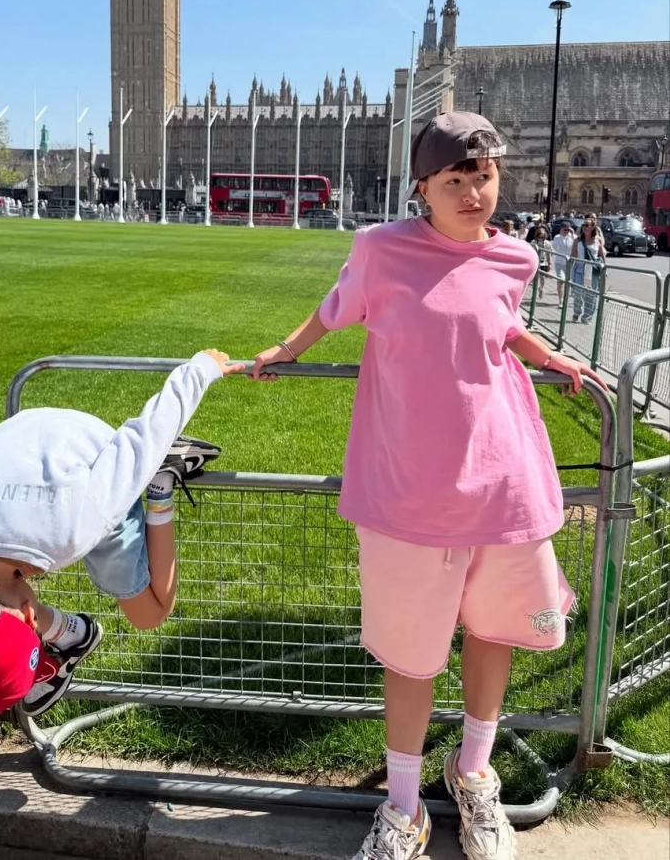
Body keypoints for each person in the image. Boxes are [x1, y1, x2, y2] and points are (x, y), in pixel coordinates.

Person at [251, 112, 604, 860]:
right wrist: (286, 349)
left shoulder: (514, 256)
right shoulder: (381, 250)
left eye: (484, 176)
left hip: (502, 480)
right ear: (424, 188)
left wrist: (549, 355)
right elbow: (332, 312)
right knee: (409, 654)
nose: (474, 192)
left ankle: (472, 773)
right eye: (455, 179)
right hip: (409, 491)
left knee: (495, 629)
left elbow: (497, 323)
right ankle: (404, 807)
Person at [0, 339, 242, 718]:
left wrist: (201, 370)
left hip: (88, 449)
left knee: (148, 614)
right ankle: (74, 636)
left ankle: (162, 479)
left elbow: (137, 446)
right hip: (20, 430)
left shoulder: (73, 530)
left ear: (32, 618)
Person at [570, 219, 605, 324]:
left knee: (591, 294)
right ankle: (577, 312)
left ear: (593, 227)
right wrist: (570, 270)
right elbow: (573, 256)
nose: (585, 227)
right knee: (577, 293)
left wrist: (604, 269)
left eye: (587, 225)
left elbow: (602, 255)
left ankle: (587, 317)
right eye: (584, 225)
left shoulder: (597, 240)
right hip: (580, 269)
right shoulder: (578, 240)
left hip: (591, 270)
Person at [551, 221, 574, 305]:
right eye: (565, 230)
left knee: (568, 282)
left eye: (568, 230)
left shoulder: (573, 237)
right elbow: (554, 247)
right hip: (559, 262)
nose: (567, 232)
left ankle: (565, 299)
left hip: (569, 263)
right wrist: (561, 236)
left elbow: (576, 246)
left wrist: (572, 234)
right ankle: (560, 300)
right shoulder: (557, 237)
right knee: (561, 280)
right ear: (561, 229)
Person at [531, 225, 553, 298]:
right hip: (535, 262)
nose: (540, 238)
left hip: (543, 262)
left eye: (542, 237)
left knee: (542, 277)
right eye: (539, 237)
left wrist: (550, 264)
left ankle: (541, 288)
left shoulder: (547, 243)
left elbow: (549, 254)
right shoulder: (534, 242)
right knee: (535, 278)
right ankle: (534, 291)